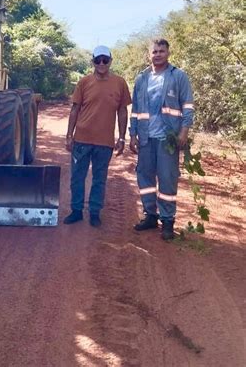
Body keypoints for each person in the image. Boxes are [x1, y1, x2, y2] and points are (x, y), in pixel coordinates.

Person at [129, 38, 194, 240]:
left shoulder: (178, 76)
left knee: (167, 178)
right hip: (146, 137)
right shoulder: (141, 79)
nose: (157, 54)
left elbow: (188, 106)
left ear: (168, 53)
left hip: (169, 139)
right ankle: (150, 216)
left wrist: (184, 131)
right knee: (145, 178)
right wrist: (132, 134)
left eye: (161, 51)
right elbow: (136, 110)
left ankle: (167, 220)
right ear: (149, 54)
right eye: (154, 51)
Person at [64, 45, 131, 227]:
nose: (101, 63)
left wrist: (122, 137)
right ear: (92, 61)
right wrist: (69, 135)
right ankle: (76, 211)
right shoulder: (84, 82)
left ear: (110, 61)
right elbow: (75, 109)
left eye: (105, 60)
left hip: (105, 142)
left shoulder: (120, 83)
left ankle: (95, 212)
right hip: (82, 141)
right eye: (98, 60)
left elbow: (122, 111)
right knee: (77, 177)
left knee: (99, 178)